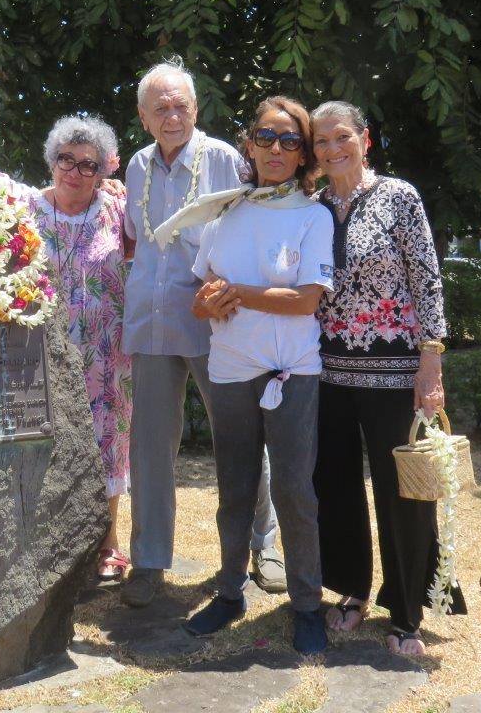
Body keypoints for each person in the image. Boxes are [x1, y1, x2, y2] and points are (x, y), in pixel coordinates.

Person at [168, 97, 332, 654]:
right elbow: (201, 291)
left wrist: (240, 294)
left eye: (291, 141)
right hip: (231, 369)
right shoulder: (224, 213)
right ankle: (229, 592)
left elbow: (308, 299)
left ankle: (307, 604)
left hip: (292, 372)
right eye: (267, 137)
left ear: (304, 153)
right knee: (234, 487)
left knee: (293, 489)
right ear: (251, 143)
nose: (277, 149)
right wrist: (206, 305)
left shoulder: (313, 215)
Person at [120, 59, 284, 608]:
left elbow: (250, 230)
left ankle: (265, 548)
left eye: (181, 105)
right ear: (144, 117)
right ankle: (148, 561)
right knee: (147, 448)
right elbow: (134, 241)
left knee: (239, 440)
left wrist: (224, 287)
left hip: (215, 324)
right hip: (150, 321)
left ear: (196, 110)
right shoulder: (137, 168)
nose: (173, 115)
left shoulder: (223, 160)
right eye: (161, 106)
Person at [309, 100, 466, 657]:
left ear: (365, 140)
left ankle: (405, 612)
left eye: (342, 137)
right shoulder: (312, 205)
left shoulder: (399, 197)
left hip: (396, 372)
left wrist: (432, 362)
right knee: (336, 484)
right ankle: (353, 589)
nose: (332, 149)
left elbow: (428, 280)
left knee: (405, 493)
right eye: (322, 141)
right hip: (326, 370)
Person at [31, 115, 132, 581]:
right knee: (46, 441)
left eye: (87, 165)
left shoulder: (117, 209)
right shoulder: (23, 210)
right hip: (41, 354)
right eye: (66, 159)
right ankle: (48, 540)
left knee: (108, 442)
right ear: (53, 161)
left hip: (107, 353)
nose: (74, 171)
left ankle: (109, 541)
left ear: (103, 171)